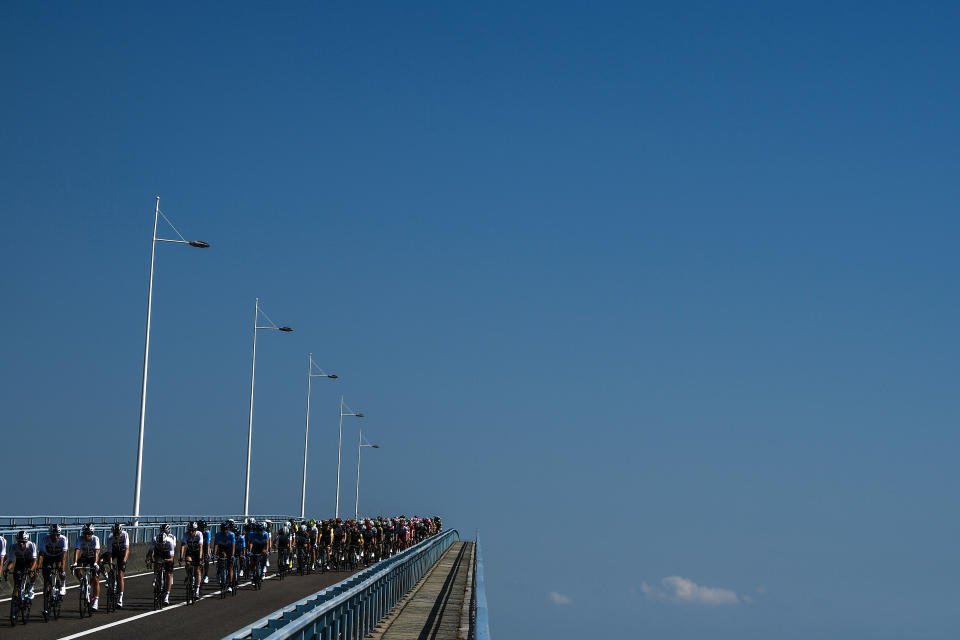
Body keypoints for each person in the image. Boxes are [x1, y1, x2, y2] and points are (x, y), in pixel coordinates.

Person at [39, 523, 69, 614]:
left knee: (60, 570)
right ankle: (48, 592)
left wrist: (62, 569)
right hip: (48, 556)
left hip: (59, 556)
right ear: (50, 534)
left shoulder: (63, 539)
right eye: (53, 535)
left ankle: (62, 584)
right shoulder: (45, 539)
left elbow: (64, 556)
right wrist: (38, 566)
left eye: (57, 535)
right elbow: (41, 554)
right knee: (46, 576)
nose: (55, 537)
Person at [72, 524, 101, 611]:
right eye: (84, 533)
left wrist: (96, 563)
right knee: (77, 567)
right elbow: (77, 550)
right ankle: (82, 581)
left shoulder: (95, 539)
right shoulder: (80, 539)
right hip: (84, 557)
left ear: (92, 534)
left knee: (95, 579)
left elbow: (96, 552)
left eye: (88, 534)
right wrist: (75, 562)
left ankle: (96, 600)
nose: (86, 536)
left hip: (93, 558)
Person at [146, 524, 176, 605]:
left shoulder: (170, 541)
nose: (161, 545)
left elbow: (172, 557)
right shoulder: (155, 539)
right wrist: (148, 559)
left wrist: (166, 560)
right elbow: (150, 551)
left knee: (168, 574)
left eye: (162, 544)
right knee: (157, 561)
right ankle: (156, 576)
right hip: (159, 552)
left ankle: (166, 596)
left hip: (167, 553)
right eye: (159, 544)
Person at [102, 523, 130, 607]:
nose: (116, 536)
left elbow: (127, 550)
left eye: (118, 534)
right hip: (113, 551)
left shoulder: (125, 534)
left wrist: (124, 562)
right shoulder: (110, 537)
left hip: (122, 552)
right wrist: (110, 565)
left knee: (120, 575)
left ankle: (120, 598)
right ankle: (107, 577)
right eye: (115, 534)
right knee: (100, 561)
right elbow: (110, 553)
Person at [4, 531, 38, 601]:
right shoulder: (13, 547)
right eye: (19, 541)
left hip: (29, 563)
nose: (21, 543)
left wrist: (31, 570)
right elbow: (11, 561)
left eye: (23, 542)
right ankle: (16, 602)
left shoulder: (31, 545)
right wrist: (7, 570)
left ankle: (31, 587)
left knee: (34, 571)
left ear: (26, 541)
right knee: (17, 583)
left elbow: (34, 561)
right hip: (19, 564)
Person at [179, 521, 203, 599]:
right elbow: (183, 546)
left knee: (197, 570)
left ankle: (197, 590)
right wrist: (181, 557)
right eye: (189, 530)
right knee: (188, 563)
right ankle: (189, 575)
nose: (191, 532)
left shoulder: (199, 534)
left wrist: (200, 558)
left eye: (192, 530)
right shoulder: (186, 534)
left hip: (197, 552)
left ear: (195, 530)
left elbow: (201, 547)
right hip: (189, 551)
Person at [212, 521, 235, 593]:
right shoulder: (218, 535)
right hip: (221, 548)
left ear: (228, 529)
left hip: (229, 549)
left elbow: (233, 546)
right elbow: (216, 545)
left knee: (230, 567)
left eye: (226, 529)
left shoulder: (231, 535)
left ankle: (230, 585)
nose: (225, 531)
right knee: (220, 561)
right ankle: (219, 571)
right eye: (223, 529)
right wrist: (214, 554)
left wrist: (232, 555)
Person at [198, 520, 211, 584]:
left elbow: (208, 544)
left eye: (205, 527)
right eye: (202, 527)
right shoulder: (197, 533)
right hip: (198, 547)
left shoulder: (207, 533)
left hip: (205, 546)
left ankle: (206, 575)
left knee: (206, 560)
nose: (203, 529)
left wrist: (208, 554)